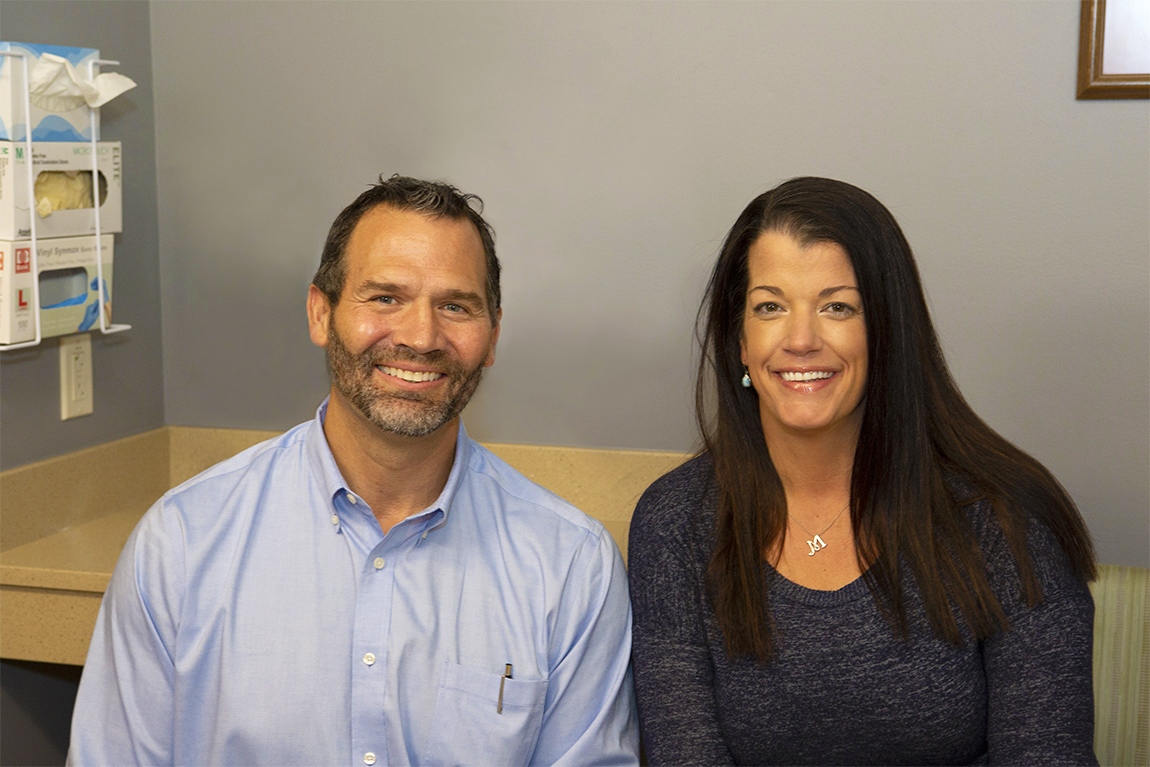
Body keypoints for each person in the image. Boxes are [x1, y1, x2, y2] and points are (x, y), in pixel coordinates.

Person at [68, 174, 639, 766]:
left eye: (455, 306)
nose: (421, 336)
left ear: (492, 335)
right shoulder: (183, 544)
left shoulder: (570, 567)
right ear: (321, 314)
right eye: (385, 297)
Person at [628, 177, 1098, 765]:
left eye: (838, 307)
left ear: (888, 332)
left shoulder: (1003, 518)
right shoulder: (675, 523)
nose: (801, 340)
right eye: (770, 307)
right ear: (739, 341)